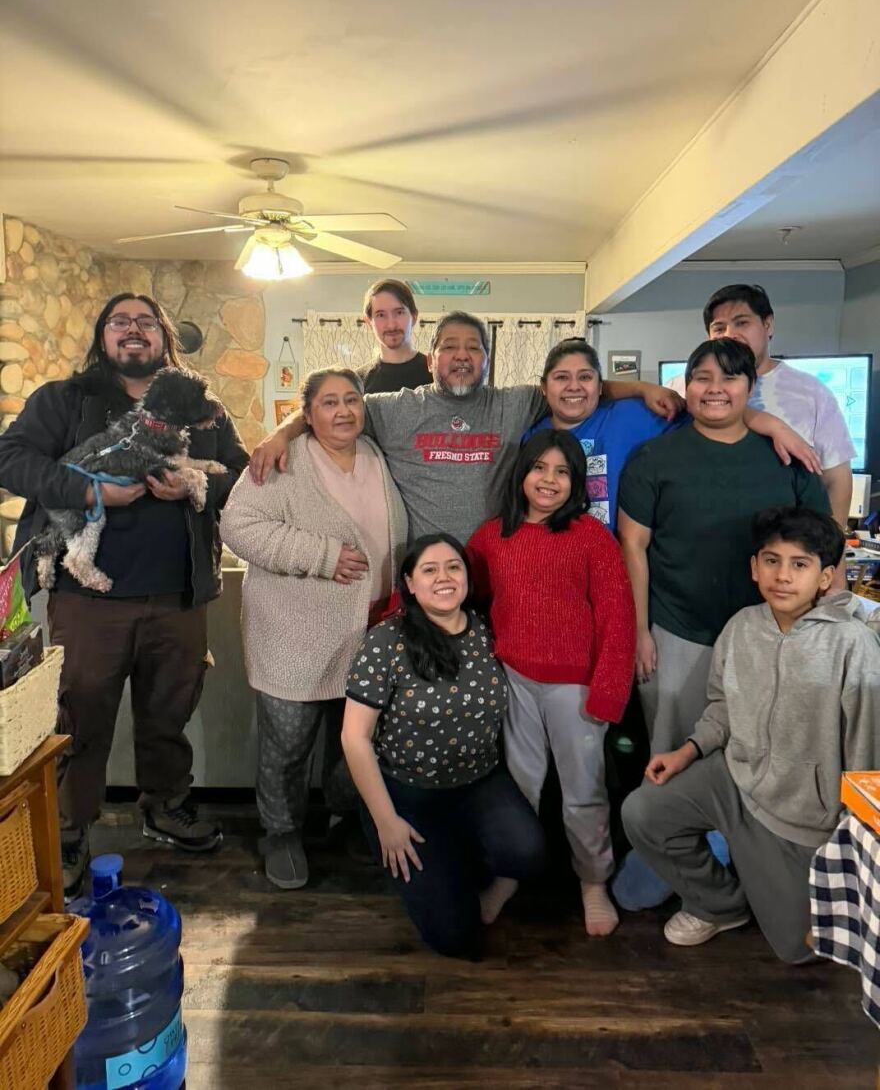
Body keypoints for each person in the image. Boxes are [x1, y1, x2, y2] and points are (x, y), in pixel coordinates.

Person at [0, 293, 249, 897]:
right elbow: (10, 460)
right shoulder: (65, 400)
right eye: (120, 322)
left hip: (181, 594)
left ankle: (166, 807)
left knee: (170, 712)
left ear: (165, 338)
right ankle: (69, 831)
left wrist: (195, 486)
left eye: (146, 321)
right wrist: (91, 493)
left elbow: (242, 479)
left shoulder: (205, 411)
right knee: (80, 715)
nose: (133, 330)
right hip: (87, 601)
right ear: (102, 336)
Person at [622, 506, 880, 962]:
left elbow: (866, 751)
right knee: (643, 811)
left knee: (798, 948)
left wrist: (851, 838)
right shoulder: (741, 626)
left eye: (800, 564)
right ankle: (720, 905)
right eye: (772, 561)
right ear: (755, 567)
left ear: (825, 577)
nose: (783, 576)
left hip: (802, 814)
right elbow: (723, 706)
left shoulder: (852, 645)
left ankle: (764, 871)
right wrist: (689, 750)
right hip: (734, 777)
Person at [250, 311, 684, 544]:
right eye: (450, 347)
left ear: (487, 361)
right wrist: (280, 435)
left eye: (474, 348)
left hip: (497, 568)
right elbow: (332, 405)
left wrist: (643, 388)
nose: (462, 356)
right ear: (430, 360)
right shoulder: (396, 409)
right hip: (421, 571)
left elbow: (574, 389)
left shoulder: (515, 403)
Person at [219, 367, 408, 890]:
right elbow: (236, 525)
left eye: (352, 400)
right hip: (294, 633)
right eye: (328, 402)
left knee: (355, 742)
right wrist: (321, 555)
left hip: (370, 633)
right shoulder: (283, 461)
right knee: (287, 744)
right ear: (307, 414)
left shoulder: (376, 455)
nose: (343, 411)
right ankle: (280, 833)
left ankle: (346, 819)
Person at [617, 338, 830, 755]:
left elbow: (822, 546)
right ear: (687, 387)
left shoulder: (786, 455)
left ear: (749, 387)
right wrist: (640, 631)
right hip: (678, 630)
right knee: (671, 754)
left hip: (773, 632)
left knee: (765, 753)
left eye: (729, 378)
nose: (715, 388)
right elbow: (632, 544)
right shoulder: (654, 458)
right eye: (702, 378)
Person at [341, 534, 546, 959]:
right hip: (407, 795)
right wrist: (387, 822)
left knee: (530, 854)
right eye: (429, 570)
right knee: (454, 937)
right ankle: (441, 867)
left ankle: (474, 869)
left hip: (480, 783)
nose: (444, 578)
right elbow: (353, 738)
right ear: (410, 583)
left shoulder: (487, 629)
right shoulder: (386, 641)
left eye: (454, 567)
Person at [466, 431, 636, 935]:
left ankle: (593, 880)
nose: (549, 480)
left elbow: (618, 618)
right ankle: (508, 873)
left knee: (584, 791)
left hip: (576, 689)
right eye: (540, 468)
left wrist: (608, 690)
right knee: (519, 787)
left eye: (562, 472)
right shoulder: (491, 537)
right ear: (522, 473)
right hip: (514, 680)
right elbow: (461, 593)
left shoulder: (592, 538)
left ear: (576, 483)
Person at [525, 338, 818, 531]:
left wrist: (771, 424)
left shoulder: (632, 415)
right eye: (561, 378)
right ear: (544, 387)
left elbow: (712, 412)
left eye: (585, 377)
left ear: (601, 386)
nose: (574, 387)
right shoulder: (532, 438)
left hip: (618, 565)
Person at [667, 284, 854, 535]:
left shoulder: (812, 393)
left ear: (768, 325)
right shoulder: (682, 388)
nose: (730, 335)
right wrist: (769, 423)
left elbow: (836, 480)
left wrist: (831, 550)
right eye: (719, 328)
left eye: (742, 323)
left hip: (783, 544)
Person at [356, 278, 432, 393]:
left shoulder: (437, 374)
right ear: (369, 322)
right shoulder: (357, 382)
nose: (391, 325)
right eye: (381, 315)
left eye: (399, 312)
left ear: (414, 316)